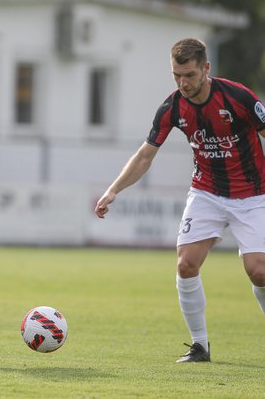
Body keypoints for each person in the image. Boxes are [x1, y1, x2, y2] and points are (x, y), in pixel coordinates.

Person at [94, 38, 265, 363]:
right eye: (177, 76)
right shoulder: (172, 107)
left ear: (206, 68)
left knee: (259, 272)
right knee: (186, 264)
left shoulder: (237, 96)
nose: (183, 83)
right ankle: (200, 346)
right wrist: (114, 189)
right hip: (206, 192)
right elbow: (145, 155)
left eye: (189, 75)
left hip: (254, 195)